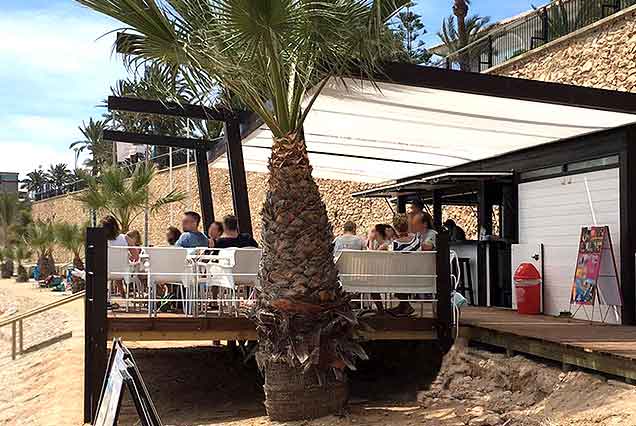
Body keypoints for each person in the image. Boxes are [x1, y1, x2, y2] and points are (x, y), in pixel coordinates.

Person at [389, 214, 421, 316]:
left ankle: (405, 305)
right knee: (404, 273)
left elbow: (392, 263)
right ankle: (403, 306)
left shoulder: (394, 245)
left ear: (395, 228)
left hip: (400, 280)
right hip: (418, 277)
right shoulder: (417, 241)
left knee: (398, 274)